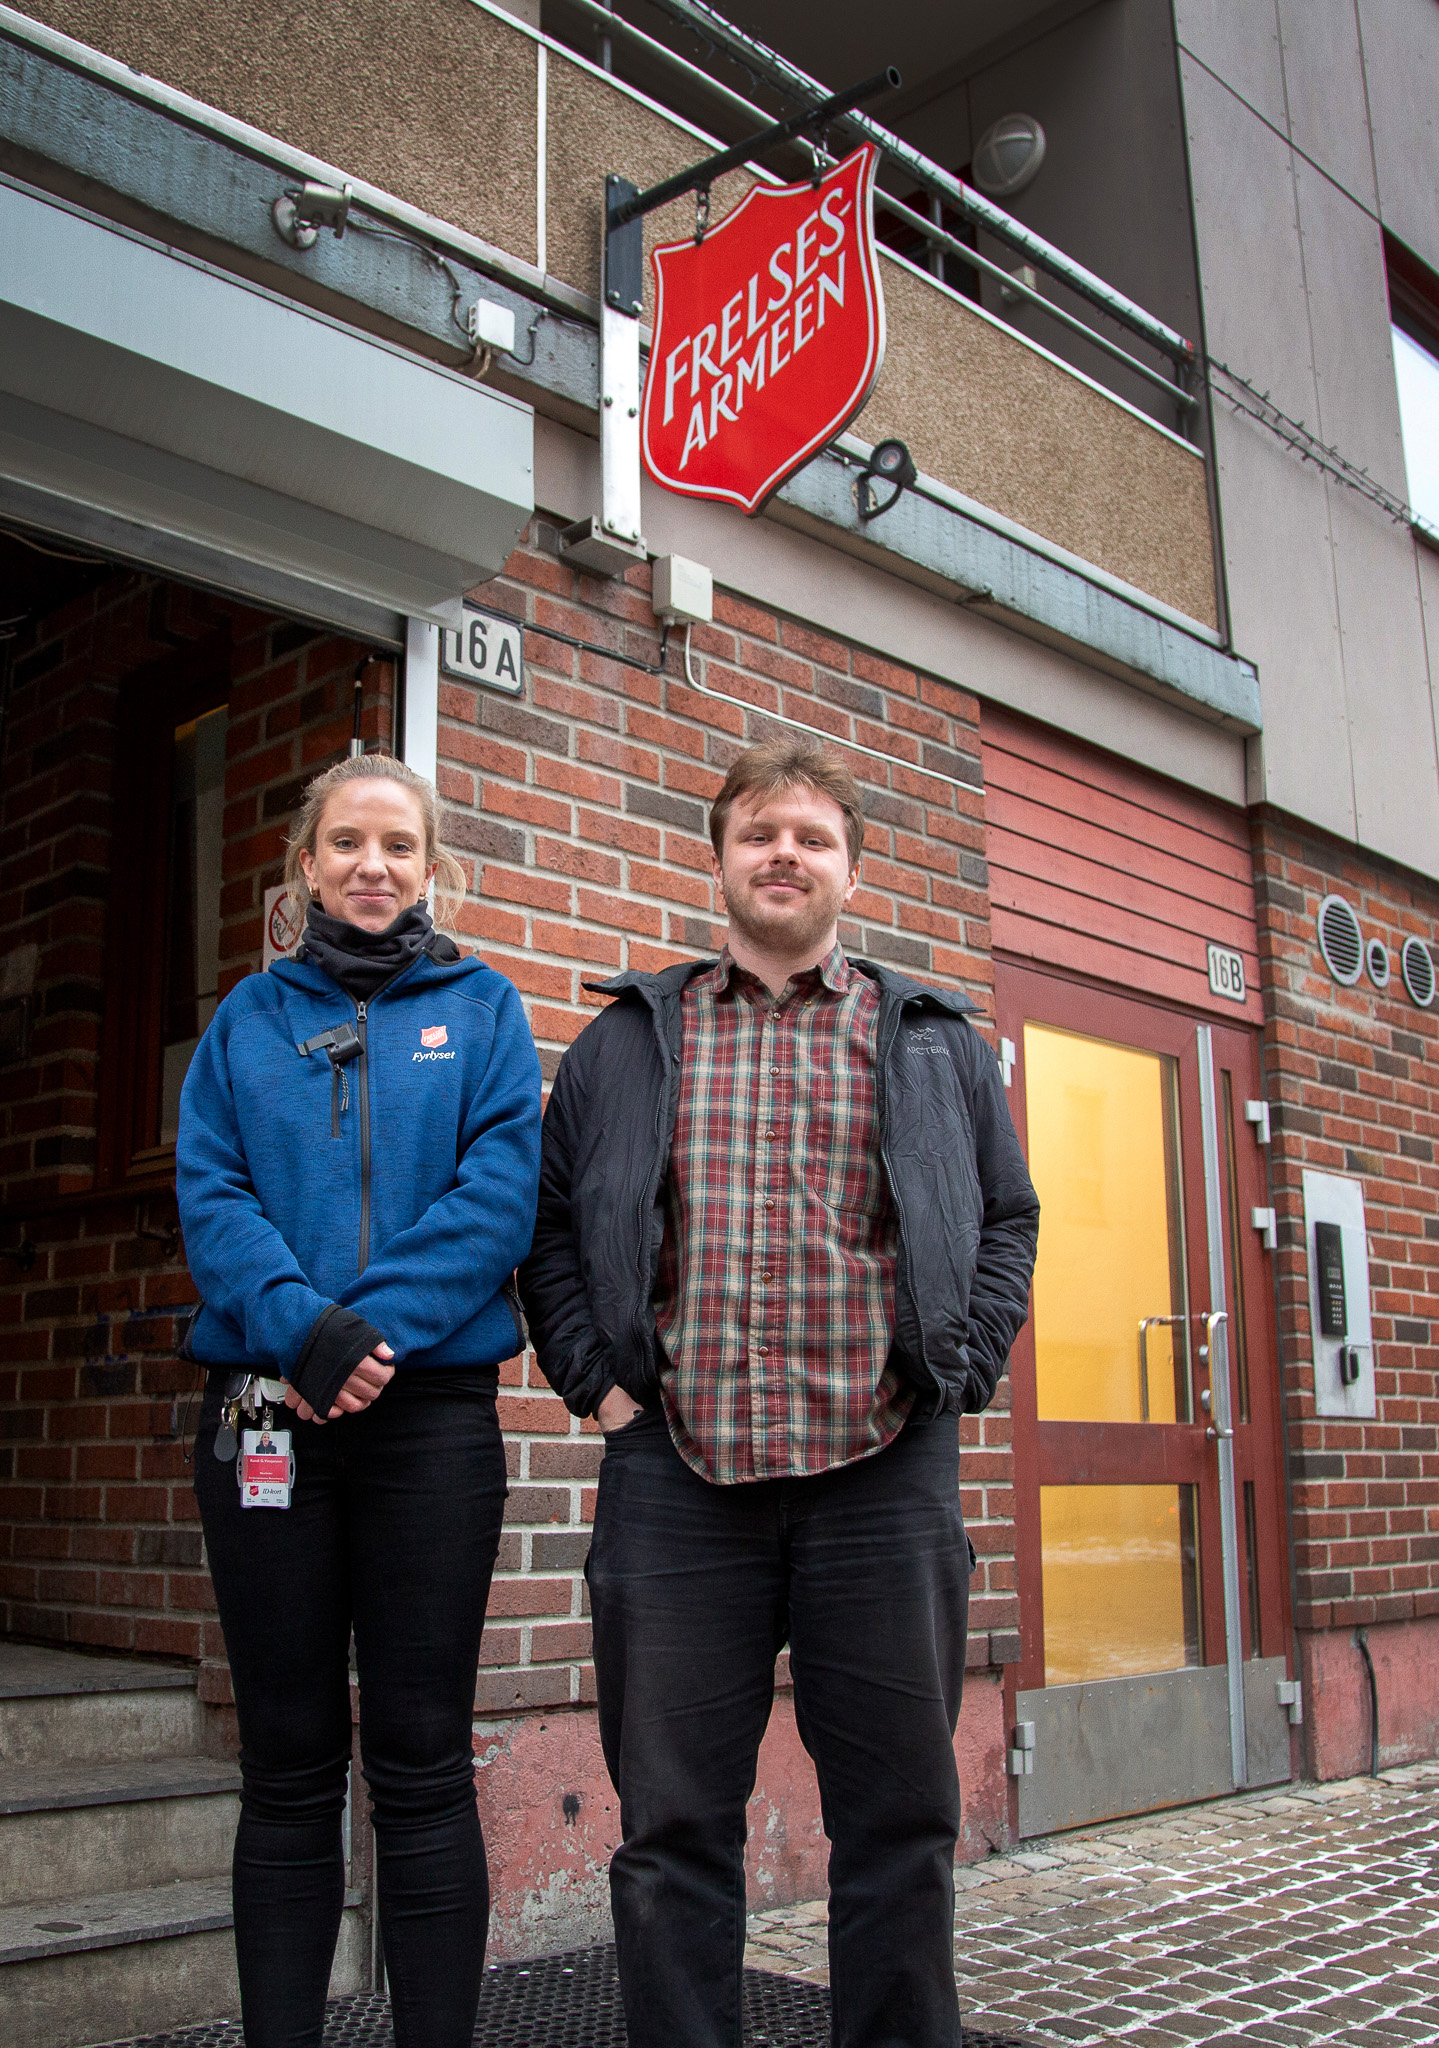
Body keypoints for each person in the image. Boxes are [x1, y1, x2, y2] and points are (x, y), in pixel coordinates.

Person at [521, 736, 1039, 2048]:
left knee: (898, 1829)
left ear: (852, 869)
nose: (784, 855)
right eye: (759, 833)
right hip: (680, 1483)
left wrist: (962, 1369)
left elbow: (1007, 1218)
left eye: (811, 836)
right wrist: (599, 1389)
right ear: (720, 860)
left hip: (883, 1476)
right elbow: (546, 1230)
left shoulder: (932, 1042)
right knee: (673, 1830)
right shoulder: (627, 1043)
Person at [177, 753, 543, 2048]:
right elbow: (211, 1197)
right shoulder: (244, 1025)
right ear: (305, 866)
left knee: (422, 1760)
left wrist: (365, 1333)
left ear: (432, 866)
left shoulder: (487, 1014)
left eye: (398, 844)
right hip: (265, 1413)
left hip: (430, 1427)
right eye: (347, 843)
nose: (373, 865)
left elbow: (500, 1200)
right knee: (285, 1763)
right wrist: (303, 1332)